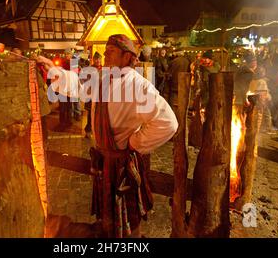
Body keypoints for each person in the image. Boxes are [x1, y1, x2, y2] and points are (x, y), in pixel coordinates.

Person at [37, 34, 177, 238]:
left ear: (126, 56)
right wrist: (55, 72)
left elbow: (168, 123)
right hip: (105, 161)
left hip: (123, 167)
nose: (104, 55)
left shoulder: (139, 86)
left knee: (128, 218)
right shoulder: (103, 78)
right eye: (105, 51)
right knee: (108, 216)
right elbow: (80, 86)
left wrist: (135, 142)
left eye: (110, 52)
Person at [84, 52, 102, 138]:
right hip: (91, 95)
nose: (98, 60)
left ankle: (99, 131)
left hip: (101, 95)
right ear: (93, 60)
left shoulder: (104, 69)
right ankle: (88, 130)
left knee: (100, 114)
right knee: (90, 114)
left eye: (99, 59)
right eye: (96, 59)